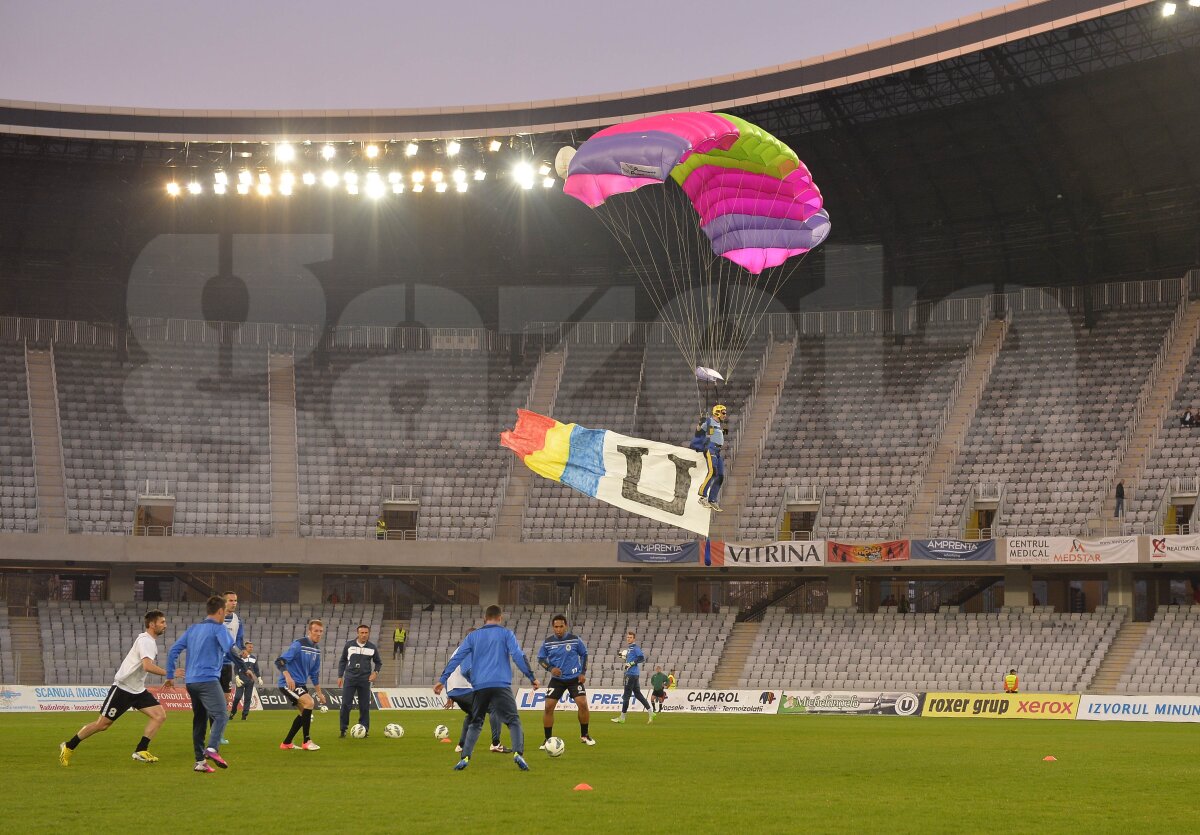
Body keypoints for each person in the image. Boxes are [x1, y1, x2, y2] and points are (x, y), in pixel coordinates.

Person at [59, 609, 169, 766]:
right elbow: (147, 666)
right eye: (162, 622)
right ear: (152, 624)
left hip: (137, 689)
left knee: (159, 715)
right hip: (123, 688)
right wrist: (168, 673)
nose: (165, 625)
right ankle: (69, 746)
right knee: (102, 725)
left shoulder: (149, 641)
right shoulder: (146, 641)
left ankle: (141, 750)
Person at [437, 605, 540, 771]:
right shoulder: (506, 634)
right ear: (500, 618)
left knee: (476, 722)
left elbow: (456, 659)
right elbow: (518, 656)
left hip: (480, 686)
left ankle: (465, 758)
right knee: (513, 720)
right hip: (501, 685)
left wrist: (442, 680)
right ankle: (518, 754)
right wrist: (531, 677)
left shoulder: (473, 637)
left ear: (485, 618)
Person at [165, 595, 234, 773]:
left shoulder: (193, 629)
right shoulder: (219, 628)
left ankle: (200, 763)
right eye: (224, 611)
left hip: (191, 682)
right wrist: (244, 665)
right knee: (221, 715)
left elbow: (173, 650)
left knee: (199, 720)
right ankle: (212, 749)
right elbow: (229, 649)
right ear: (220, 611)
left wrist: (170, 674)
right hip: (208, 679)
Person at [433, 628, 510, 754]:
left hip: (455, 690)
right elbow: (466, 670)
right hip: (463, 689)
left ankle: (461, 745)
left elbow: (449, 669)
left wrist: (450, 695)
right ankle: (496, 744)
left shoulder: (458, 650)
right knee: (494, 708)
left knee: (472, 714)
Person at [535, 614, 596, 749]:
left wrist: (583, 673)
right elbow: (540, 659)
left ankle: (585, 735)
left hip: (574, 678)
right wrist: (550, 668)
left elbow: (584, 654)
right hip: (557, 680)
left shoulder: (575, 640)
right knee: (548, 707)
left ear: (566, 626)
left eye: (561, 626)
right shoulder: (548, 642)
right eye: (556, 627)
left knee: (583, 704)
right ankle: (547, 739)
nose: (558, 630)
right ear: (553, 627)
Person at [277, 618, 329, 751]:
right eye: (315, 631)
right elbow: (280, 661)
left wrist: (319, 693)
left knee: (303, 714)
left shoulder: (317, 650)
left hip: (301, 684)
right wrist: (288, 676)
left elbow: (314, 674)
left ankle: (286, 743)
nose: (318, 634)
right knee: (309, 703)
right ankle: (306, 741)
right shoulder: (299, 644)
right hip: (288, 684)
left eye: (321, 631)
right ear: (309, 631)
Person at [337, 624, 383, 738]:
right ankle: (343, 729)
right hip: (350, 678)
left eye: (366, 633)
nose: (364, 635)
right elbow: (342, 660)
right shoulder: (349, 645)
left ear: (369, 633)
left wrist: (375, 673)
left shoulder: (372, 647)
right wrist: (340, 675)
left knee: (364, 706)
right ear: (358, 633)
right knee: (346, 705)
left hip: (364, 679)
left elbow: (378, 662)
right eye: (361, 633)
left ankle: (364, 730)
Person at [216, 591, 245, 743]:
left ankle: (219, 734)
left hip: (227, 665)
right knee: (212, 701)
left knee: (225, 701)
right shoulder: (215, 619)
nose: (234, 603)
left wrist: (242, 652)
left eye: (235, 600)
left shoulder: (238, 621)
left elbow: (239, 643)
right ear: (224, 602)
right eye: (231, 600)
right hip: (213, 664)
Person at [612, 630, 652, 724]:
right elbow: (631, 659)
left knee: (626, 696)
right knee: (638, 694)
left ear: (634, 639)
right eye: (627, 637)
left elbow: (641, 658)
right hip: (633, 674)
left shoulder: (635, 647)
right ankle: (651, 712)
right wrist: (625, 658)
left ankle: (622, 718)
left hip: (631, 675)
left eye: (630, 637)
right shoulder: (630, 649)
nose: (628, 639)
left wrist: (631, 663)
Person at [695, 404, 727, 511]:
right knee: (712, 471)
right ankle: (703, 496)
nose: (725, 415)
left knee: (721, 475)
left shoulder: (719, 424)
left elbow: (722, 433)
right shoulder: (710, 421)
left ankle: (712, 499)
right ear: (717, 412)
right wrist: (701, 423)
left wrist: (723, 430)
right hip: (711, 448)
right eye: (723, 412)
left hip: (718, 450)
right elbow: (699, 431)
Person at [229, 642, 261, 721]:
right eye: (250, 647)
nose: (251, 648)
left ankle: (245, 715)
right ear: (245, 648)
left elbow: (256, 669)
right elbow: (236, 668)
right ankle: (233, 712)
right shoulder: (239, 657)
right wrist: (236, 677)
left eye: (252, 647)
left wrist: (259, 678)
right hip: (241, 680)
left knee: (248, 698)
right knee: (237, 697)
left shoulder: (253, 658)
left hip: (250, 681)